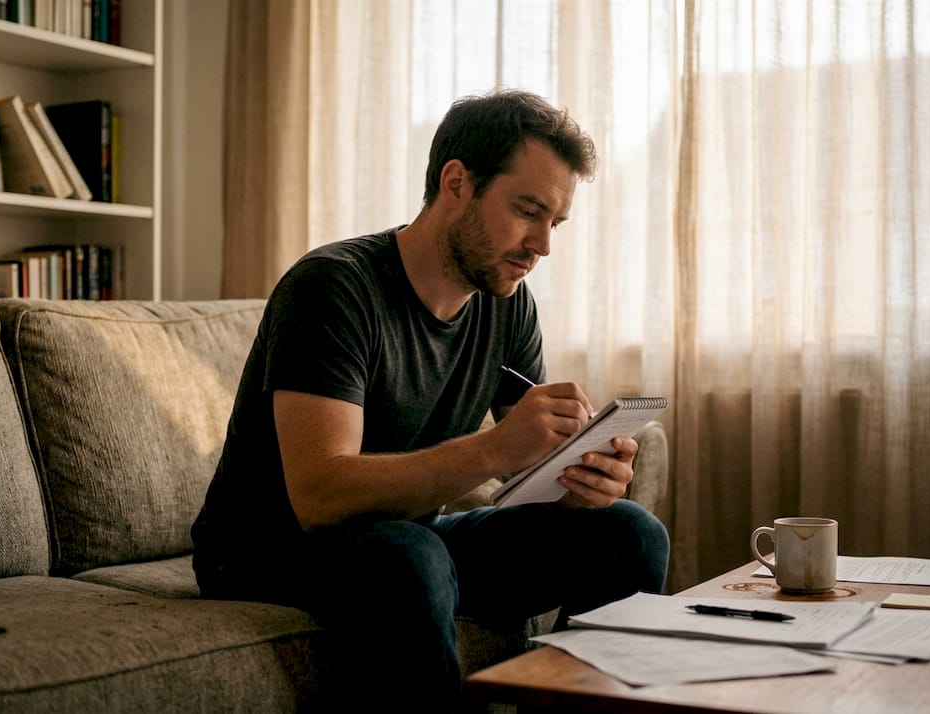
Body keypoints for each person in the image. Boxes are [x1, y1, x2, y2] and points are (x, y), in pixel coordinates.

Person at [191, 89, 670, 712]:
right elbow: (319, 496)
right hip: (266, 552)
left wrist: (579, 477)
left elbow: (526, 469)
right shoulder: (333, 288)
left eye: (556, 222)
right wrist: (495, 448)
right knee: (410, 556)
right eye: (528, 211)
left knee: (630, 533)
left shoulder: (506, 302)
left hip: (407, 539)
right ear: (457, 183)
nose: (543, 245)